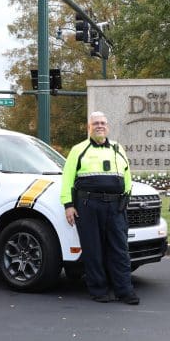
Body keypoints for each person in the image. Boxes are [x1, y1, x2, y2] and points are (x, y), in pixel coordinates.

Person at [61, 111, 139, 305]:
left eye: (103, 123)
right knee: (93, 250)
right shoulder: (78, 150)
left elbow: (127, 175)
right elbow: (67, 179)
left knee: (120, 250)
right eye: (95, 123)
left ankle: (125, 290)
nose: (100, 126)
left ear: (108, 127)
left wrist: (126, 198)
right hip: (88, 206)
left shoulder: (117, 148)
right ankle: (99, 290)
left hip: (115, 206)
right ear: (89, 127)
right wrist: (68, 205)